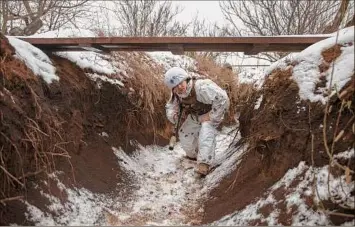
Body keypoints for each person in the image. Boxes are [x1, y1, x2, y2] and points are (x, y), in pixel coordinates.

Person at [164, 66, 230, 176]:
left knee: (206, 132)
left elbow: (223, 99)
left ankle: (204, 163)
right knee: (184, 133)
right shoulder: (176, 94)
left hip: (211, 114)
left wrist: (212, 116)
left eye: (181, 83)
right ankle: (194, 156)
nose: (180, 87)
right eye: (175, 86)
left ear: (186, 79)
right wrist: (173, 116)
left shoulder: (202, 87)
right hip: (195, 116)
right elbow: (170, 106)